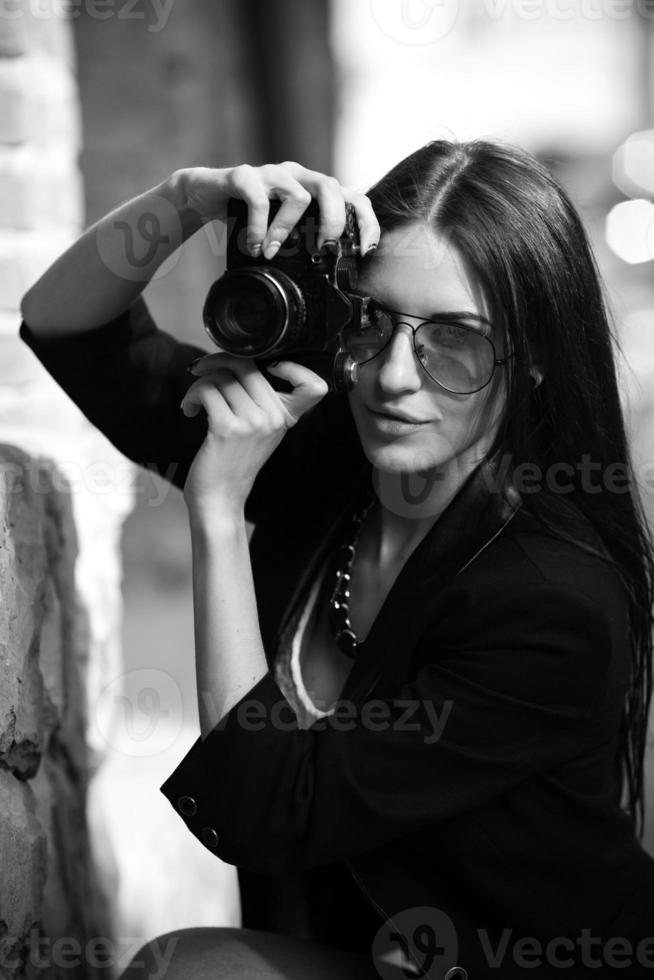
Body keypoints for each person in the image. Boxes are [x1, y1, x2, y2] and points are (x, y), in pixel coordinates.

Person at [18, 141, 654, 980]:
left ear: (533, 359)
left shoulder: (550, 601)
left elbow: (263, 808)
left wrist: (216, 511)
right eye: (373, 319)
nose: (393, 377)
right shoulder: (323, 449)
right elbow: (68, 325)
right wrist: (185, 198)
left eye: (454, 341)